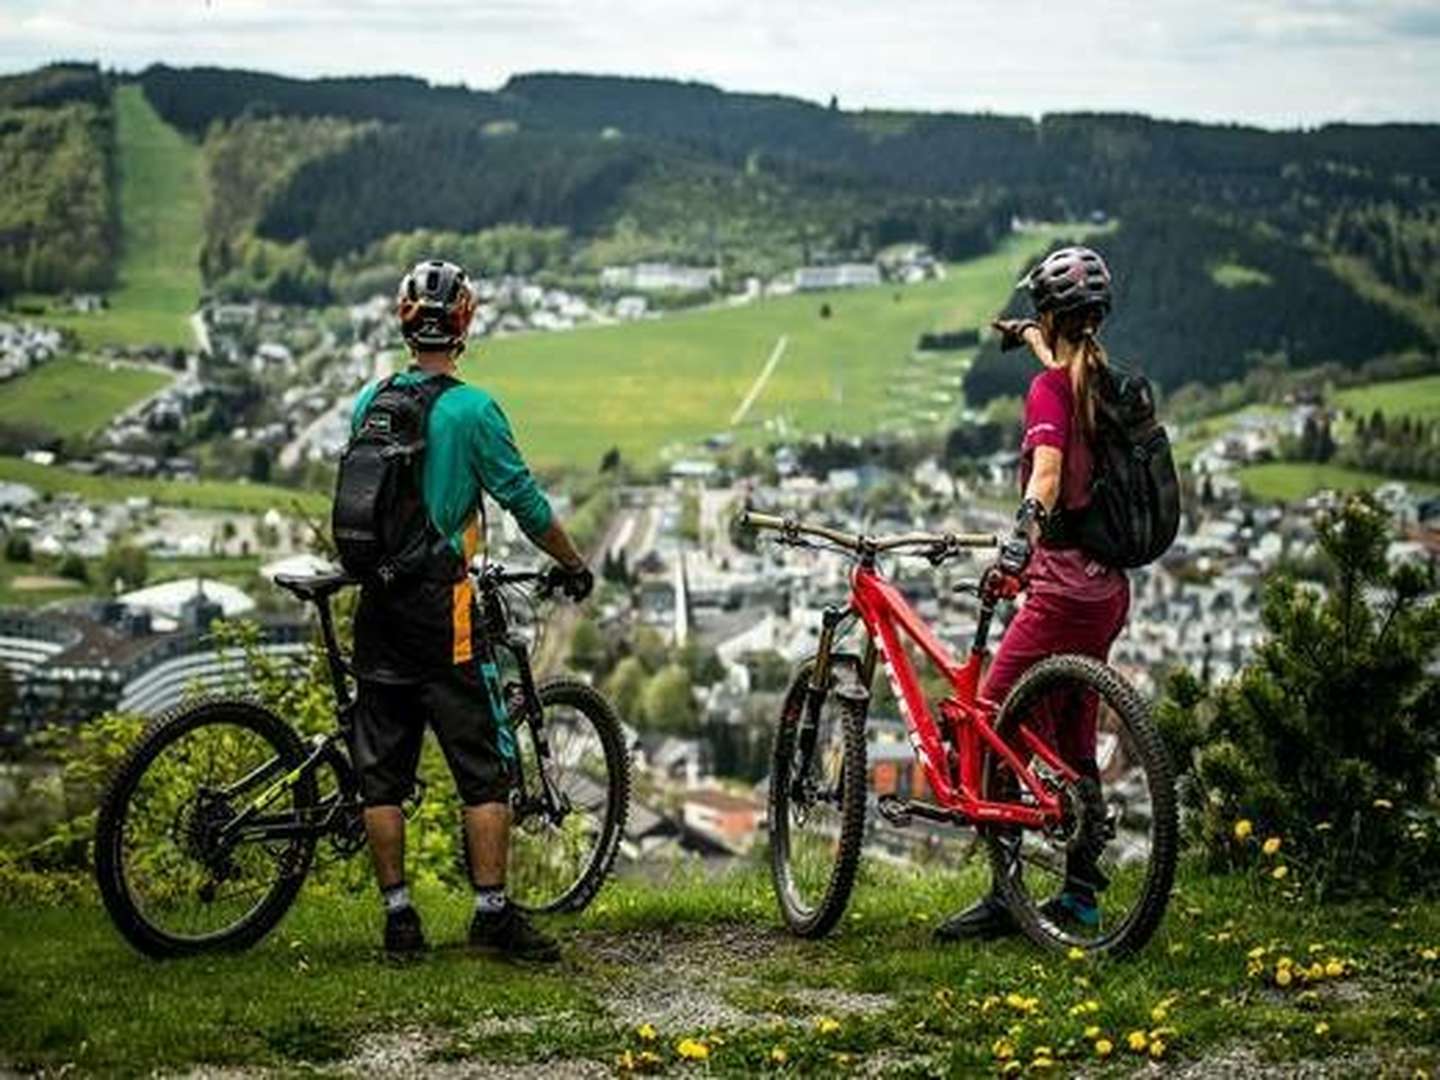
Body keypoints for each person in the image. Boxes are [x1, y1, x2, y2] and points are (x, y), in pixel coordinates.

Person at [350, 259, 593, 960]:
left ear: (405, 323)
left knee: (381, 772)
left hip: (377, 605)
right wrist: (572, 564)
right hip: (441, 611)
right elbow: (527, 506)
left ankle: (399, 919)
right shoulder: (474, 410)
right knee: (483, 767)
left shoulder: (370, 399)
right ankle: (491, 914)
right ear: (463, 327)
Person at [936, 246, 1130, 941]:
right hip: (1107, 590)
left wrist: (1021, 536)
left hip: (1059, 586)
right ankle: (1080, 895)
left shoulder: (1049, 394)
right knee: (1073, 730)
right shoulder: (1106, 384)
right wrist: (1023, 334)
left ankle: (1005, 896)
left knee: (989, 718)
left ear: (1052, 314)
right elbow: (1064, 366)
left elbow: (1046, 474)